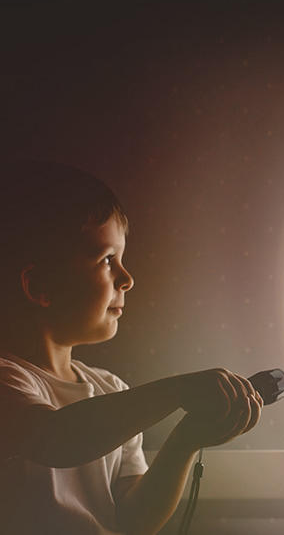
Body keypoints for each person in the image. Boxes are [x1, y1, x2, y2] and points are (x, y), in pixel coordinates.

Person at [0, 161, 265, 534]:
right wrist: (176, 390)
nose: (127, 278)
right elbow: (55, 438)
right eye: (107, 260)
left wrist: (186, 438)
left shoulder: (114, 391)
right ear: (40, 285)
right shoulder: (7, 381)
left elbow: (134, 521)